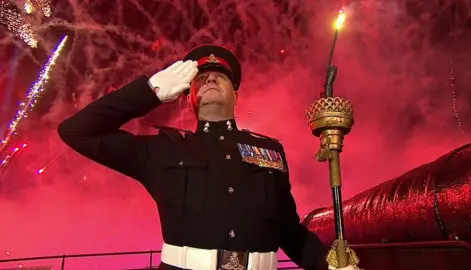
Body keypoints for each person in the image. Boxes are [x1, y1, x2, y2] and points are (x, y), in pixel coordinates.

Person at [58, 45, 355, 270]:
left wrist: (329, 264)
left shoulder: (270, 152)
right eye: (201, 78)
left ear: (236, 95)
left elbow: (290, 233)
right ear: (187, 96)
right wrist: (149, 92)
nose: (211, 78)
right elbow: (77, 132)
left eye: (221, 77)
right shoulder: (163, 149)